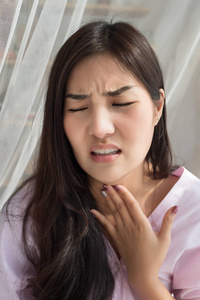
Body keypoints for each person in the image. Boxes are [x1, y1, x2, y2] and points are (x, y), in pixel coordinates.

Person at [0, 19, 200, 300]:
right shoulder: (29, 213)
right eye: (78, 107)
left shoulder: (193, 213)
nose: (99, 127)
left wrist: (145, 281)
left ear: (157, 107)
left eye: (120, 103)